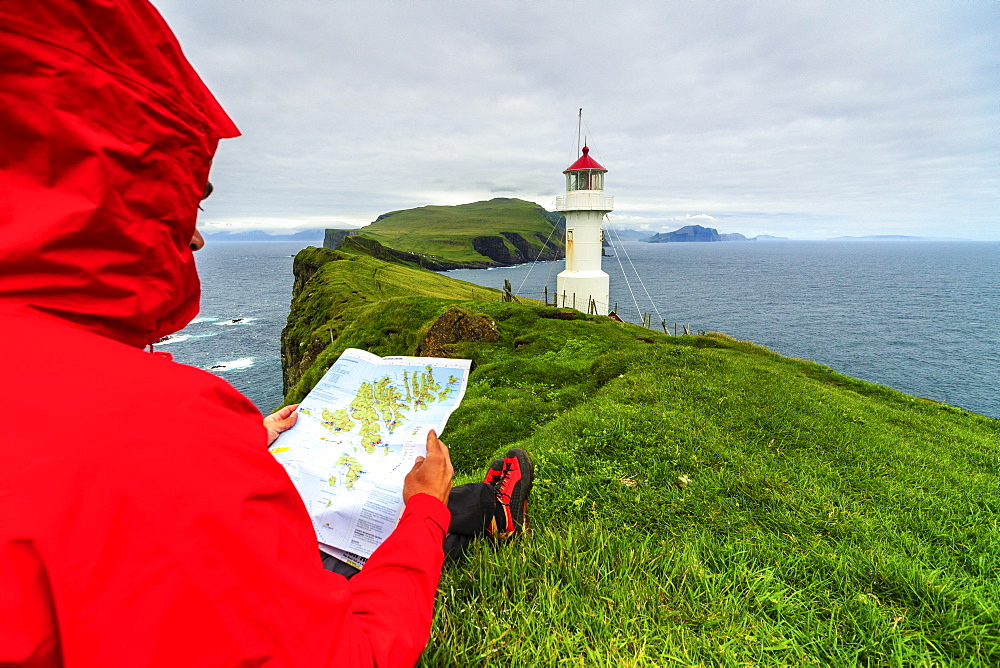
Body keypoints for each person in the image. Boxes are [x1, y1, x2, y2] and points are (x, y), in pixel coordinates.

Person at [0, 1, 531, 666]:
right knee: (405, 516)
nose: (193, 231)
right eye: (185, 192)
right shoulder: (158, 435)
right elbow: (344, 654)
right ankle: (475, 508)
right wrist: (422, 509)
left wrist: (248, 440)